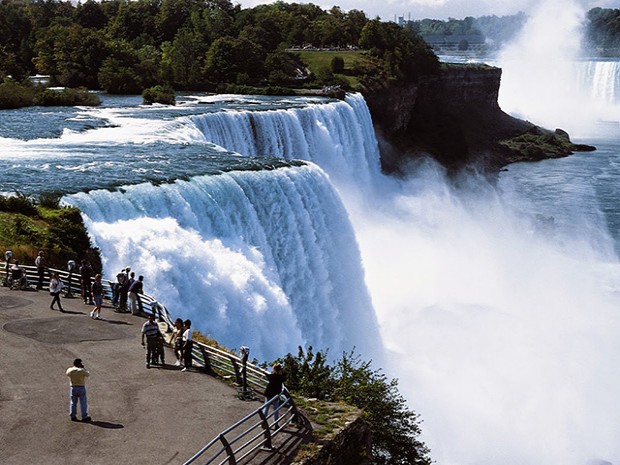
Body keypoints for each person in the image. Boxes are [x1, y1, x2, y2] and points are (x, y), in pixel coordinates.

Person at [66, 358, 91, 422]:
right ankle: (84, 416)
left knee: (73, 402)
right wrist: (83, 368)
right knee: (83, 402)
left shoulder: (70, 370)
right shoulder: (81, 370)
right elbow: (88, 374)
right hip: (81, 387)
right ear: (78, 363)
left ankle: (72, 415)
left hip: (73, 387)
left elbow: (67, 374)